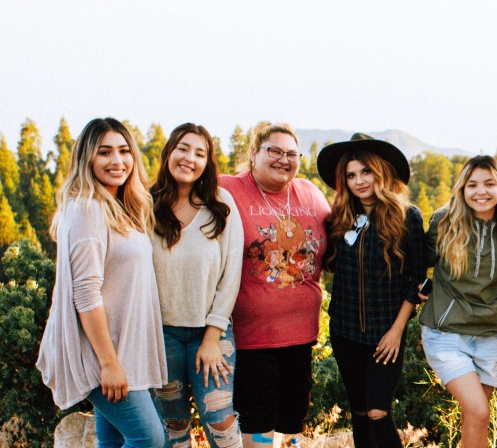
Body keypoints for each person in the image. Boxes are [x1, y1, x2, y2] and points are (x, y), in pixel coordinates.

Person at [37, 117, 166, 447]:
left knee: (112, 441)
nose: (118, 161)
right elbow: (85, 292)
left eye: (124, 151)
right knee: (148, 438)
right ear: (87, 159)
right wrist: (109, 365)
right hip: (102, 354)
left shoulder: (117, 207)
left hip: (120, 350)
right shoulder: (88, 209)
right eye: (104, 152)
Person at [219, 121, 331, 447]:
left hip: (301, 337)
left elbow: (344, 235)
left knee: (291, 424)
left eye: (291, 154)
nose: (283, 159)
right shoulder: (226, 189)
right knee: (257, 424)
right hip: (252, 340)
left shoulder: (310, 193)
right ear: (254, 153)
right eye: (274, 151)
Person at [317, 133, 426, 447]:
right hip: (344, 331)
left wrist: (396, 331)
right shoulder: (339, 218)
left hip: (385, 334)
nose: (358, 181)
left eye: (366, 172)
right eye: (350, 175)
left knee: (379, 411)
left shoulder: (407, 217)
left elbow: (417, 280)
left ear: (381, 172)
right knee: (361, 411)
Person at [418, 155, 497, 448]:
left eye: (490, 184)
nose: (481, 191)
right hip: (446, 333)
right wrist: (418, 286)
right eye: (472, 184)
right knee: (478, 410)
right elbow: (418, 262)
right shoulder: (445, 220)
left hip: (489, 335)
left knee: (476, 417)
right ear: (462, 189)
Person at [149, 123, 243, 447]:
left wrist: (212, 336)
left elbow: (232, 275)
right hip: (161, 337)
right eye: (183, 149)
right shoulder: (147, 205)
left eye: (199, 153)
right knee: (173, 426)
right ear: (168, 153)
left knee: (221, 422)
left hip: (211, 333)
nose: (189, 158)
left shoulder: (222, 204)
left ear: (208, 162)